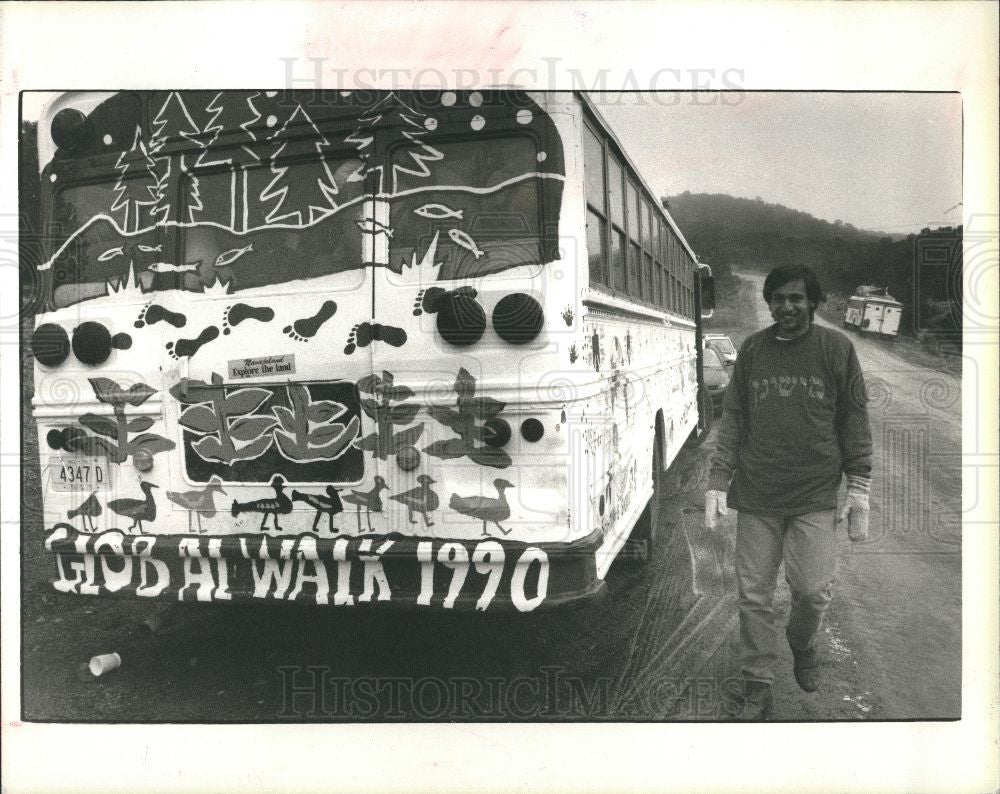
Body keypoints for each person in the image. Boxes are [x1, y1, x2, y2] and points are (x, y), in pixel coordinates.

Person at [705, 264, 872, 721]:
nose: (787, 307)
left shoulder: (837, 349)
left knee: (813, 591)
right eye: (778, 298)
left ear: (813, 302)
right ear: (769, 302)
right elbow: (734, 418)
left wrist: (859, 486)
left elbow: (854, 419)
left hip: (814, 493)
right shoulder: (755, 351)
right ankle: (758, 682)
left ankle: (802, 644)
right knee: (753, 596)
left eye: (796, 298)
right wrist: (719, 480)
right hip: (758, 493)